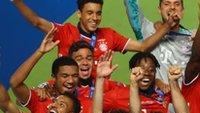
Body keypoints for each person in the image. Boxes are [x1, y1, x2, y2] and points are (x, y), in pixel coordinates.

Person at [12, 0, 175, 62]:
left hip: (97, 102)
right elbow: (36, 21)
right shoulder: (64, 31)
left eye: (98, 13)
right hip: (70, 100)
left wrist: (167, 26)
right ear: (79, 14)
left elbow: (143, 47)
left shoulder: (110, 35)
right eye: (89, 13)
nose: (95, 18)